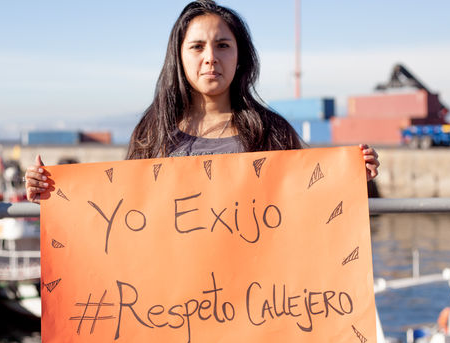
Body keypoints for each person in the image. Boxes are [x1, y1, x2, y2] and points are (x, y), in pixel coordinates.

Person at [24, 0, 379, 200]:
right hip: (174, 310)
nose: (210, 57)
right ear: (178, 57)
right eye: (196, 46)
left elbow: (311, 196)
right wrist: (52, 192)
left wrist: (350, 175)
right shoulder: (153, 133)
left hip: (258, 308)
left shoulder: (272, 131)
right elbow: (118, 209)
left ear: (240, 56)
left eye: (223, 45)